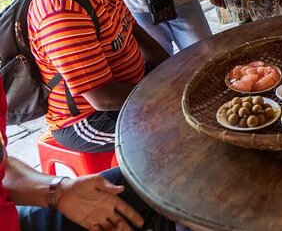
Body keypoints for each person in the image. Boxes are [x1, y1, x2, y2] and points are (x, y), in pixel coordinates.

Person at [27, 0, 169, 153]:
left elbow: (132, 30)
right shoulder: (62, 8)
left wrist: (172, 70)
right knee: (174, 130)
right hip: (87, 118)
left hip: (127, 89)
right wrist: (161, 97)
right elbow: (101, 97)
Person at [0, 75, 174, 231]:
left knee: (154, 180)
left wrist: (59, 190)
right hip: (78, 124)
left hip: (14, 219)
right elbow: (99, 97)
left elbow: (4, 167)